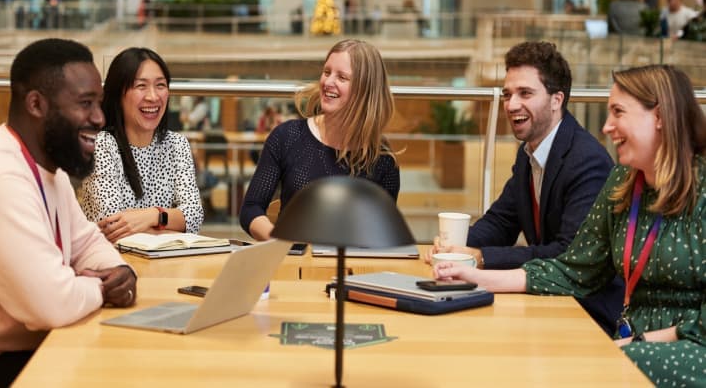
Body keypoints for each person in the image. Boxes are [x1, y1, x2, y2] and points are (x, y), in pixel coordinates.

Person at [435, 64, 705, 386]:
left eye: (618, 112)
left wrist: (635, 344)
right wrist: (474, 276)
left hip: (688, 344)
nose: (606, 127)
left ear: (659, 117)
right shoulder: (623, 182)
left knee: (589, 370)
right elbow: (574, 269)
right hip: (629, 338)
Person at [0, 38, 137, 386]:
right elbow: (52, 305)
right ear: (36, 104)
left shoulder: (47, 169)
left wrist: (118, 270)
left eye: (99, 103)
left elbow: (86, 243)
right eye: (85, 103)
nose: (99, 118)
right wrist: (101, 289)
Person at [426, 41, 623, 334]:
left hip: (587, 313)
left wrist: (479, 257)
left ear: (557, 100)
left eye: (525, 93)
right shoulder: (530, 151)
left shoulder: (587, 161)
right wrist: (455, 246)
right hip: (548, 298)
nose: (511, 104)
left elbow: (566, 253)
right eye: (507, 94)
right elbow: (502, 220)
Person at [240, 39, 400, 241]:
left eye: (342, 77)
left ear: (364, 91)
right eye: (326, 72)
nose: (328, 82)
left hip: (353, 266)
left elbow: (381, 234)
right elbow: (250, 209)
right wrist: (279, 244)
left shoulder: (383, 158)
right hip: (292, 265)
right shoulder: (287, 136)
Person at [80, 47, 203, 242]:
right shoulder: (101, 144)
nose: (153, 97)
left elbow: (194, 217)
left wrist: (154, 215)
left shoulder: (177, 144)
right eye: (141, 86)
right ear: (118, 93)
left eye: (160, 85)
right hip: (113, 263)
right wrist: (174, 226)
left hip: (167, 264)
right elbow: (113, 227)